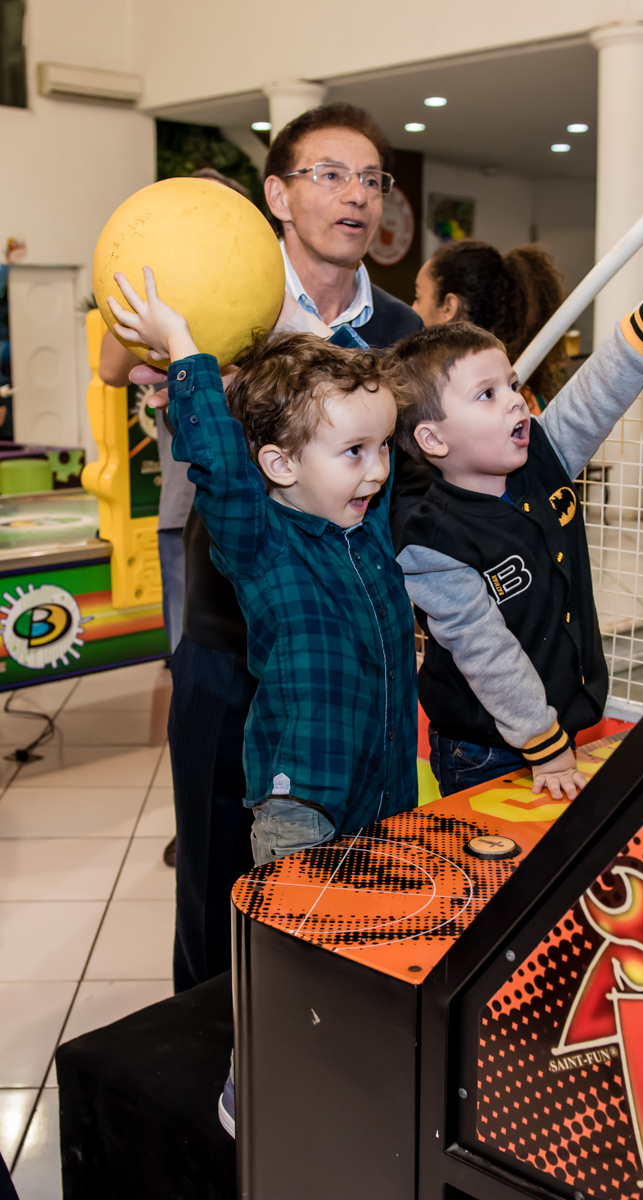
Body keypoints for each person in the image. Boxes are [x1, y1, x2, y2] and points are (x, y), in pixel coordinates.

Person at [107, 264, 418, 1137]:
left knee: (364, 944)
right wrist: (182, 348)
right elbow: (216, 455)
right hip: (301, 799)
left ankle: (348, 1062)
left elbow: (365, 427)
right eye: (353, 454)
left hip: (384, 785)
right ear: (279, 465)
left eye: (382, 449)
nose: (375, 471)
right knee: (288, 955)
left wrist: (347, 393)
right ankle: (256, 1085)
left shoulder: (368, 532)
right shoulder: (264, 540)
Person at [162, 102, 421, 993]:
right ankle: (215, 1057)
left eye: (371, 179)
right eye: (330, 174)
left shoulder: (398, 333)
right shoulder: (224, 304)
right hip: (232, 633)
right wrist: (189, 368)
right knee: (213, 876)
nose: (356, 197)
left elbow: (413, 487)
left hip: (346, 653)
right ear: (276, 192)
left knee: (360, 873)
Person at [390, 256, 643, 801]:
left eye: (511, 384)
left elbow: (595, 395)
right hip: (484, 749)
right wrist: (543, 742)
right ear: (434, 440)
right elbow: (487, 655)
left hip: (561, 731)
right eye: (486, 394)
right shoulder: (432, 544)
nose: (516, 399)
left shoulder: (544, 455)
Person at [98, 168, 254, 872]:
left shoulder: (257, 283)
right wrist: (168, 320)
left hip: (255, 505)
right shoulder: (150, 285)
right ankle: (188, 810)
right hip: (184, 507)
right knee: (189, 664)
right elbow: (111, 364)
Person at [412, 239, 567, 412]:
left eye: (418, 297)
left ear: (449, 307)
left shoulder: (466, 404)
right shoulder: (522, 395)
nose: (412, 308)